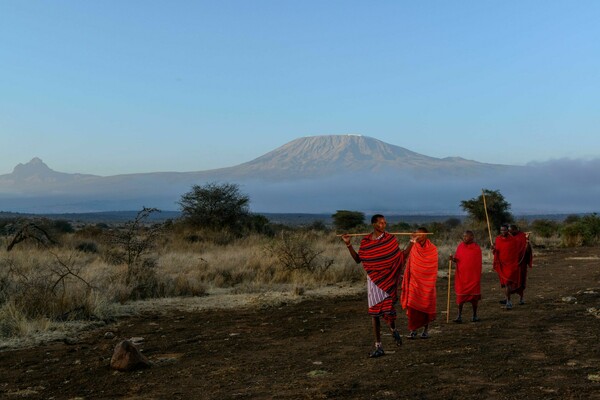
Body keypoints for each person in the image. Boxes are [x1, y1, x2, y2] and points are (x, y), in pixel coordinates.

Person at [341, 214, 414, 358]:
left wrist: (412, 241)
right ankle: (378, 346)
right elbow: (358, 260)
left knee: (388, 311)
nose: (384, 225)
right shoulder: (366, 241)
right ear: (374, 225)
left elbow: (401, 256)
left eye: (385, 222)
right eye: (381, 223)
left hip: (387, 281)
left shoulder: (390, 239)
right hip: (373, 281)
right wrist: (348, 244)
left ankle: (393, 329)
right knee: (374, 314)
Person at [401, 227, 438, 339]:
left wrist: (427, 279)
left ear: (426, 235)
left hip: (427, 283)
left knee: (426, 306)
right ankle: (413, 330)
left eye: (420, 235)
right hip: (414, 282)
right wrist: (411, 241)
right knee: (412, 305)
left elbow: (433, 267)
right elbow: (405, 256)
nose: (418, 237)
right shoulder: (412, 247)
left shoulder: (432, 249)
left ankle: (425, 330)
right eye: (416, 234)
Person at [449, 230, 482, 323]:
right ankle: (459, 316)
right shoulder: (460, 246)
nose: (464, 238)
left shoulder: (476, 248)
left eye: (466, 236)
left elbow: (477, 264)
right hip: (462, 277)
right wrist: (452, 259)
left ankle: (475, 315)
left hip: (473, 277)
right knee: (460, 297)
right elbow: (457, 260)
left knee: (474, 298)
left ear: (472, 237)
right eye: (463, 236)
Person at [492, 223, 520, 310]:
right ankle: (507, 298)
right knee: (505, 284)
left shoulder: (513, 240)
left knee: (507, 282)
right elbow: (496, 251)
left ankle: (508, 301)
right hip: (501, 264)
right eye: (501, 230)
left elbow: (515, 253)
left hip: (511, 265)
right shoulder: (498, 239)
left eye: (504, 230)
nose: (503, 232)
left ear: (508, 230)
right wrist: (493, 249)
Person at [508, 224, 533, 305]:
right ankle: (508, 299)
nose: (510, 232)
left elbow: (528, 250)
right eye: (509, 231)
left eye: (511, 231)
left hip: (521, 263)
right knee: (509, 281)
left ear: (515, 230)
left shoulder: (522, 236)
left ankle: (521, 298)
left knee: (521, 280)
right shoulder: (507, 237)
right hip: (511, 263)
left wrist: (527, 241)